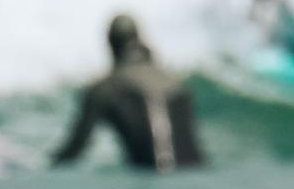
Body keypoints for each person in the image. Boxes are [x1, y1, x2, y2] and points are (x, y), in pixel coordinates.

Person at [52, 13, 205, 171]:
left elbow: (74, 151)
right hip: (197, 171)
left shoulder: (105, 89)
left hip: (150, 177)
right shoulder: (176, 84)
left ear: (111, 46)